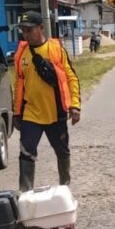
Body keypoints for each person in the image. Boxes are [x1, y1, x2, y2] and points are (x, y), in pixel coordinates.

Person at [12, 11, 81, 192]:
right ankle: (25, 194)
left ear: (41, 28)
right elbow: (18, 85)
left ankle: (65, 187)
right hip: (31, 113)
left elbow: (71, 77)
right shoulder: (21, 55)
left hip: (55, 112)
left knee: (62, 151)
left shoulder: (56, 49)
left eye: (30, 30)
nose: (26, 34)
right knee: (26, 153)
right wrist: (16, 112)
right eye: (23, 31)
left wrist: (75, 105)